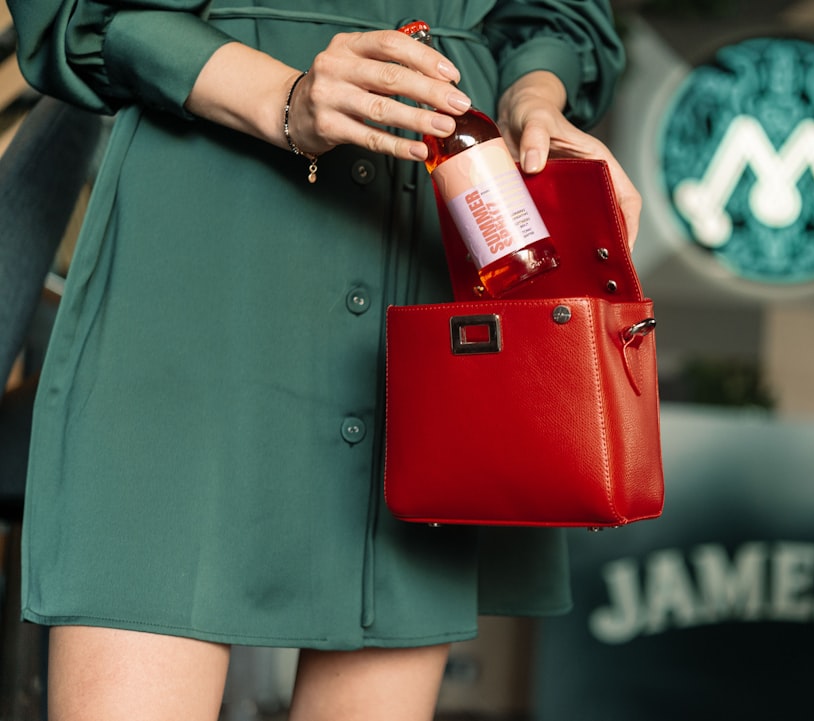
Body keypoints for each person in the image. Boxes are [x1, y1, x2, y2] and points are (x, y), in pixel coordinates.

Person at [6, 1, 641, 720]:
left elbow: (553, 15)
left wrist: (534, 101)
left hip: (434, 218)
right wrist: (284, 98)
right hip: (207, 225)